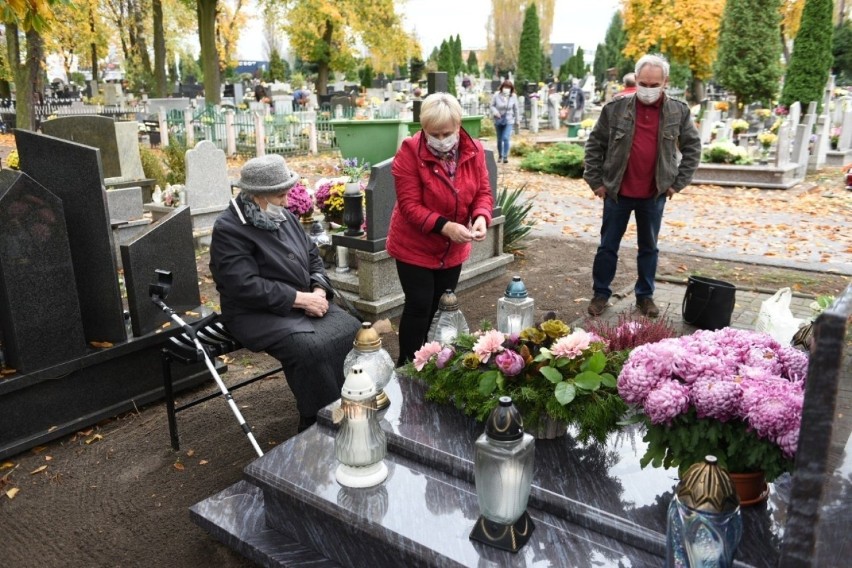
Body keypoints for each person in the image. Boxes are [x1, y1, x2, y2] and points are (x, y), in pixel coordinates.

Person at [209, 155, 361, 432]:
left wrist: (318, 289)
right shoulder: (228, 228)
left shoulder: (283, 215)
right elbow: (242, 285)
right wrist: (300, 299)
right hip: (255, 312)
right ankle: (316, 421)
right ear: (257, 195)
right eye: (281, 195)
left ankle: (351, 404)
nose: (287, 201)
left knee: (350, 329)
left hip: (304, 299)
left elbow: (313, 257)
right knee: (310, 350)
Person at [583, 53, 702, 319]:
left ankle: (644, 296)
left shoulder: (678, 111)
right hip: (617, 193)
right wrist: (596, 182)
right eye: (644, 83)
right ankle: (601, 293)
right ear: (636, 80)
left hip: (654, 194)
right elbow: (594, 144)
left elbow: (693, 147)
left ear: (665, 82)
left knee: (649, 247)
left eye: (654, 84)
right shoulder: (615, 109)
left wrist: (677, 184)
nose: (648, 90)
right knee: (607, 247)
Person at [387, 93, 493, 366]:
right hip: (415, 246)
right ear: (423, 128)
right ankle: (409, 365)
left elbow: (482, 191)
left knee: (442, 308)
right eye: (433, 133)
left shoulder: (474, 150)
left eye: (447, 132)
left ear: (458, 126)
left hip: (452, 249)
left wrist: (481, 216)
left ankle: (435, 362)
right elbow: (410, 206)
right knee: (419, 306)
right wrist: (446, 227)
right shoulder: (409, 152)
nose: (441, 138)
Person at [490, 80, 520, 163]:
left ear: (511, 88)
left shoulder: (513, 96)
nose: (506, 89)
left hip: (509, 120)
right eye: (505, 87)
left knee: (506, 137)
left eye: (508, 87)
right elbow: (492, 105)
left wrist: (517, 120)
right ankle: (500, 155)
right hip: (498, 119)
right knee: (499, 139)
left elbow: (516, 109)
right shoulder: (496, 95)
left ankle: (505, 156)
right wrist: (495, 112)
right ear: (502, 87)